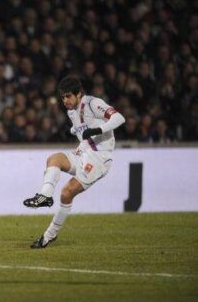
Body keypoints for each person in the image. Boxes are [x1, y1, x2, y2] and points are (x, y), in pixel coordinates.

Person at [23, 76, 125, 248]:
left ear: (79, 94)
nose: (65, 100)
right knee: (54, 158)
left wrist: (97, 129)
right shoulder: (71, 112)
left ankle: (49, 236)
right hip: (84, 152)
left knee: (66, 192)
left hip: (99, 158)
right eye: (62, 97)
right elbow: (83, 135)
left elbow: (119, 118)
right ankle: (45, 196)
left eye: (69, 96)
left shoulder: (93, 103)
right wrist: (80, 141)